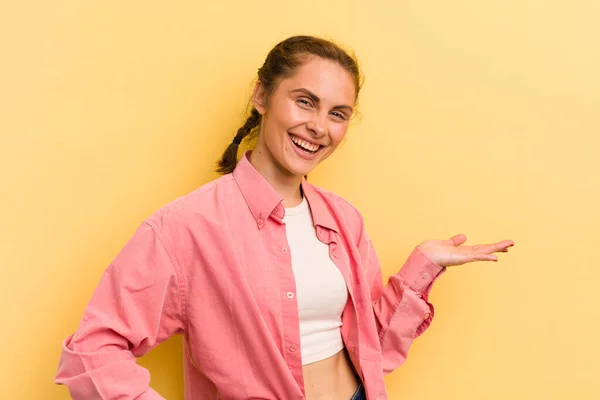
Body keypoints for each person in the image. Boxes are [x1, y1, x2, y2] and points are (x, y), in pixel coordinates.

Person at [54, 35, 514, 400]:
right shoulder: (186, 227)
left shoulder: (344, 219)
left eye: (338, 113)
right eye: (305, 101)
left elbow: (370, 345)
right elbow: (94, 350)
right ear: (261, 95)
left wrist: (422, 265)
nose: (319, 126)